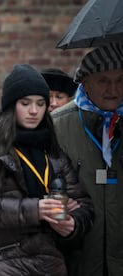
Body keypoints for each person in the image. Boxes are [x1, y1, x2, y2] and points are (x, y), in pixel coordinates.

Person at [0, 64, 94, 276]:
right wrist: (37, 209)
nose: (34, 111)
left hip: (49, 260)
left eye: (40, 103)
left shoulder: (53, 151)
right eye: (25, 103)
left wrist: (72, 224)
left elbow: (83, 204)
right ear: (11, 106)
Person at [51, 43, 123, 276]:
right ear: (85, 82)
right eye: (103, 80)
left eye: (120, 80)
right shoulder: (57, 126)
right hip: (77, 261)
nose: (113, 89)